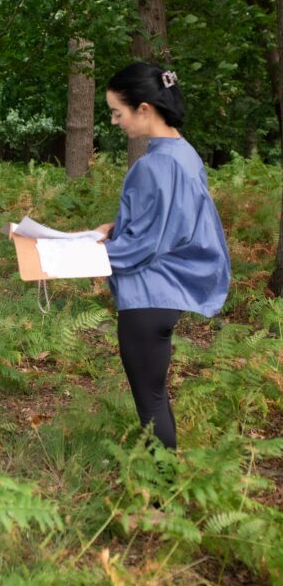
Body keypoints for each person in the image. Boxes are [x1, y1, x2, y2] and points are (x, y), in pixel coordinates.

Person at [95, 63, 230, 450]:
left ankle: (162, 485)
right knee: (154, 396)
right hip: (164, 293)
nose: (115, 121)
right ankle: (162, 479)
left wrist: (89, 252)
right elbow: (172, 222)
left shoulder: (156, 164)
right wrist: (117, 229)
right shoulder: (183, 153)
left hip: (148, 295)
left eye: (117, 112)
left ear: (144, 109)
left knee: (150, 401)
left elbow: (146, 244)